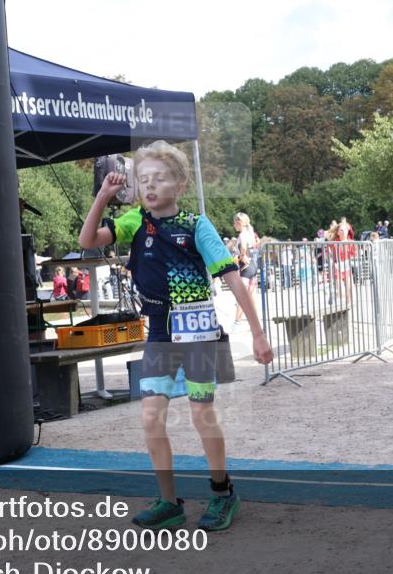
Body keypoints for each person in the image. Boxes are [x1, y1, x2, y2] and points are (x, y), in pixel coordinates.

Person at [78, 140, 272, 532]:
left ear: (180, 184)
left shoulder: (197, 226)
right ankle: (169, 502)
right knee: (151, 417)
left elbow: (232, 278)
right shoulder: (134, 221)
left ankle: (222, 493)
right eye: (143, 180)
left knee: (202, 414)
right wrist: (102, 196)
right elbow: (87, 241)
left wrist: (257, 333)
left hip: (198, 333)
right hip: (162, 334)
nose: (149, 187)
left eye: (159, 179)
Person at [233, 212, 259, 326]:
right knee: (252, 295)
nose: (233, 226)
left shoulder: (243, 234)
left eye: (234, 223)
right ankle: (254, 320)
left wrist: (242, 255)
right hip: (252, 265)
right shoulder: (250, 233)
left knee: (241, 295)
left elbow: (243, 247)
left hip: (246, 266)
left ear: (238, 223)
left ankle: (237, 320)